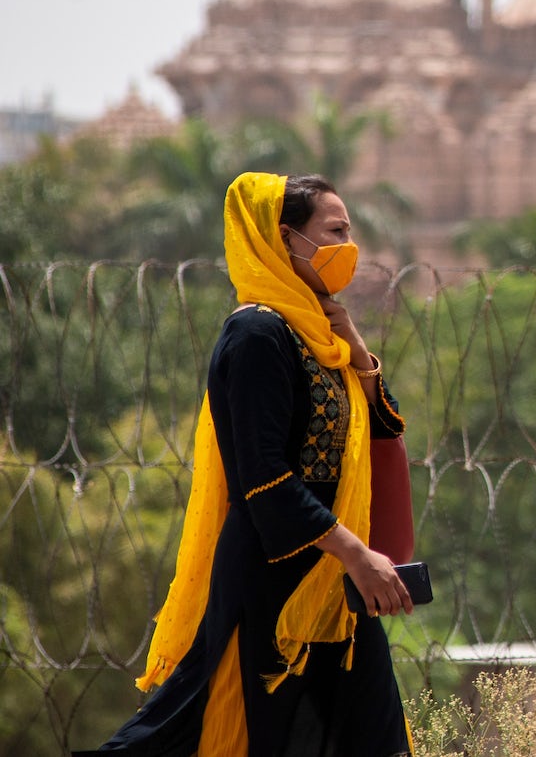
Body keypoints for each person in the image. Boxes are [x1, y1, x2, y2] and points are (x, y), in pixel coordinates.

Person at [81, 172, 413, 757]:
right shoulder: (258, 334)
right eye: (334, 232)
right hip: (272, 582)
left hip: (333, 586)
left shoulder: (322, 337)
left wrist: (360, 356)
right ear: (285, 240)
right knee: (232, 732)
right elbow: (265, 480)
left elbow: (380, 432)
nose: (348, 248)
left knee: (371, 737)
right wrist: (357, 554)